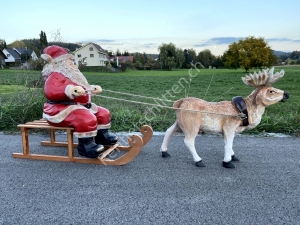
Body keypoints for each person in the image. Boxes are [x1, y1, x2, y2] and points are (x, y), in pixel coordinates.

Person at [41, 45, 118, 158]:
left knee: (103, 113)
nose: (73, 64)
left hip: (81, 106)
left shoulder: (74, 76)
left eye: (72, 62)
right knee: (85, 117)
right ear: (60, 64)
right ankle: (85, 145)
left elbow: (83, 88)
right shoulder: (55, 76)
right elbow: (50, 91)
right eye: (69, 62)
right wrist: (70, 90)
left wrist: (92, 89)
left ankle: (102, 137)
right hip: (60, 109)